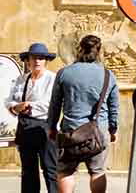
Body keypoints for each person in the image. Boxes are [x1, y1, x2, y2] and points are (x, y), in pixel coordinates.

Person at [47, 35, 119, 193]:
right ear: (99, 51)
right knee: (97, 171)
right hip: (98, 132)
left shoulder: (64, 73)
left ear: (79, 49)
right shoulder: (108, 75)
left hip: (71, 132)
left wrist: (51, 127)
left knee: (66, 171)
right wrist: (113, 130)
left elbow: (55, 104)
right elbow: (114, 107)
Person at [7, 43, 58, 193]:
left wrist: (29, 105)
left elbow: (51, 104)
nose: (37, 61)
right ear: (28, 60)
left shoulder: (52, 79)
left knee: (50, 169)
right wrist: (15, 107)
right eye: (34, 58)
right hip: (25, 127)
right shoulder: (22, 79)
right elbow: (9, 100)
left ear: (45, 61)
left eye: (41, 58)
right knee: (28, 171)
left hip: (45, 127)